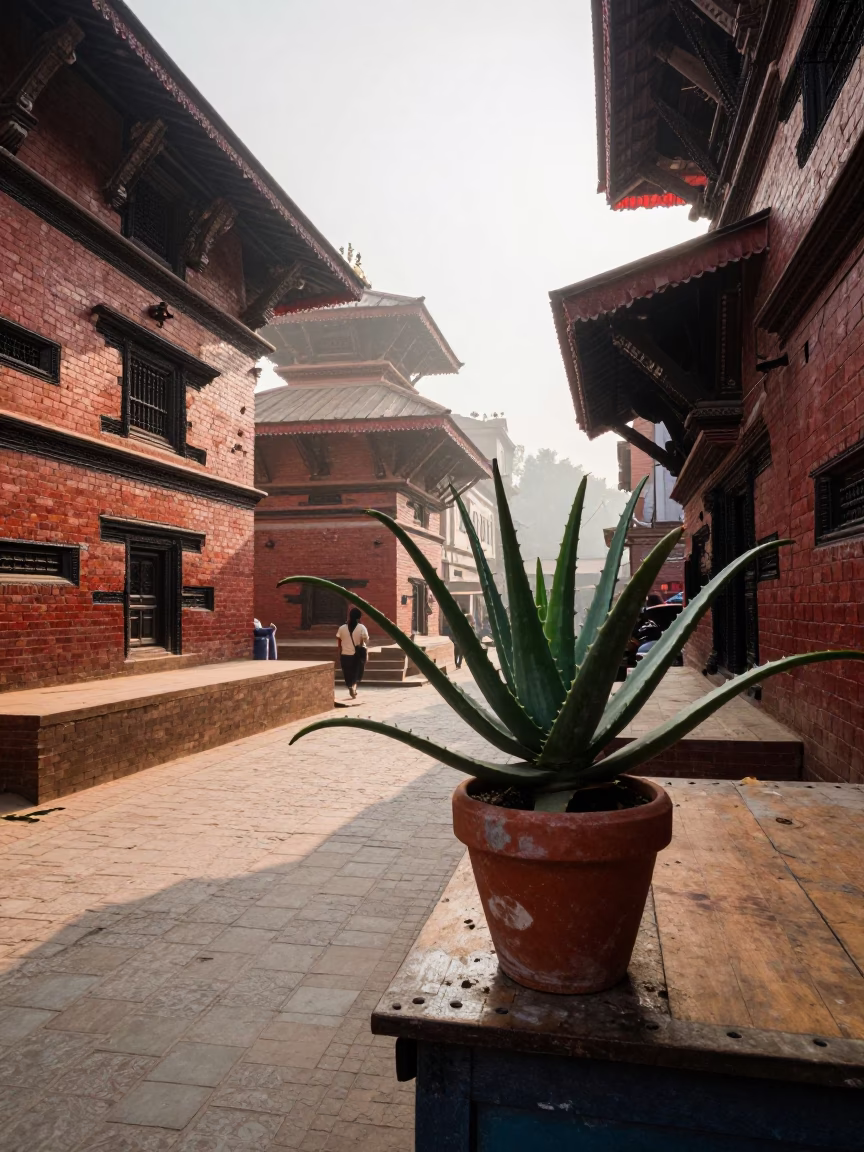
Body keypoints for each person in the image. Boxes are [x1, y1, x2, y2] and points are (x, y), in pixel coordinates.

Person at [336, 608, 369, 699]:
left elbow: (339, 640)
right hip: (357, 654)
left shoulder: (342, 628)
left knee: (347, 672)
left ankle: (350, 686)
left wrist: (340, 650)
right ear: (359, 617)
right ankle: (353, 688)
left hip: (345, 654)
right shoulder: (362, 627)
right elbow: (365, 639)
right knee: (356, 672)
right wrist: (361, 644)